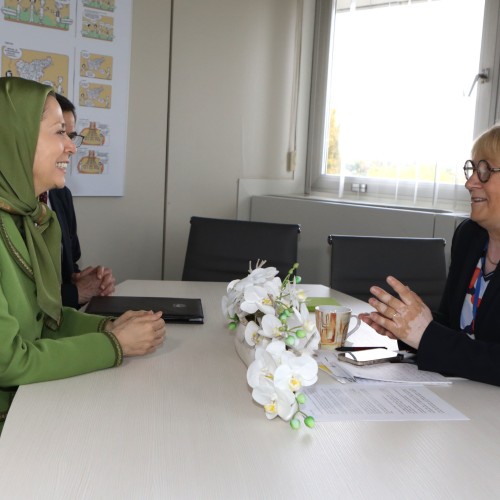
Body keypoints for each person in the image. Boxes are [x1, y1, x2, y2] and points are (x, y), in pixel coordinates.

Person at [0, 77, 166, 434]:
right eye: (60, 132)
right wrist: (114, 344)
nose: (71, 149)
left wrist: (108, 326)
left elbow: (48, 323)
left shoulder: (27, 219)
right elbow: (9, 362)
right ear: (15, 136)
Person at [361, 124, 500, 386]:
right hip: (462, 393)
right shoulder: (470, 236)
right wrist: (402, 324)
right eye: (472, 169)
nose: (470, 182)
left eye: (484, 171)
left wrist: (424, 335)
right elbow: (450, 326)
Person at [45, 93, 115, 308]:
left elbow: (69, 262)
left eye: (71, 135)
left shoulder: (60, 195)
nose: (72, 147)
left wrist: (78, 279)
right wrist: (74, 293)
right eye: (59, 134)